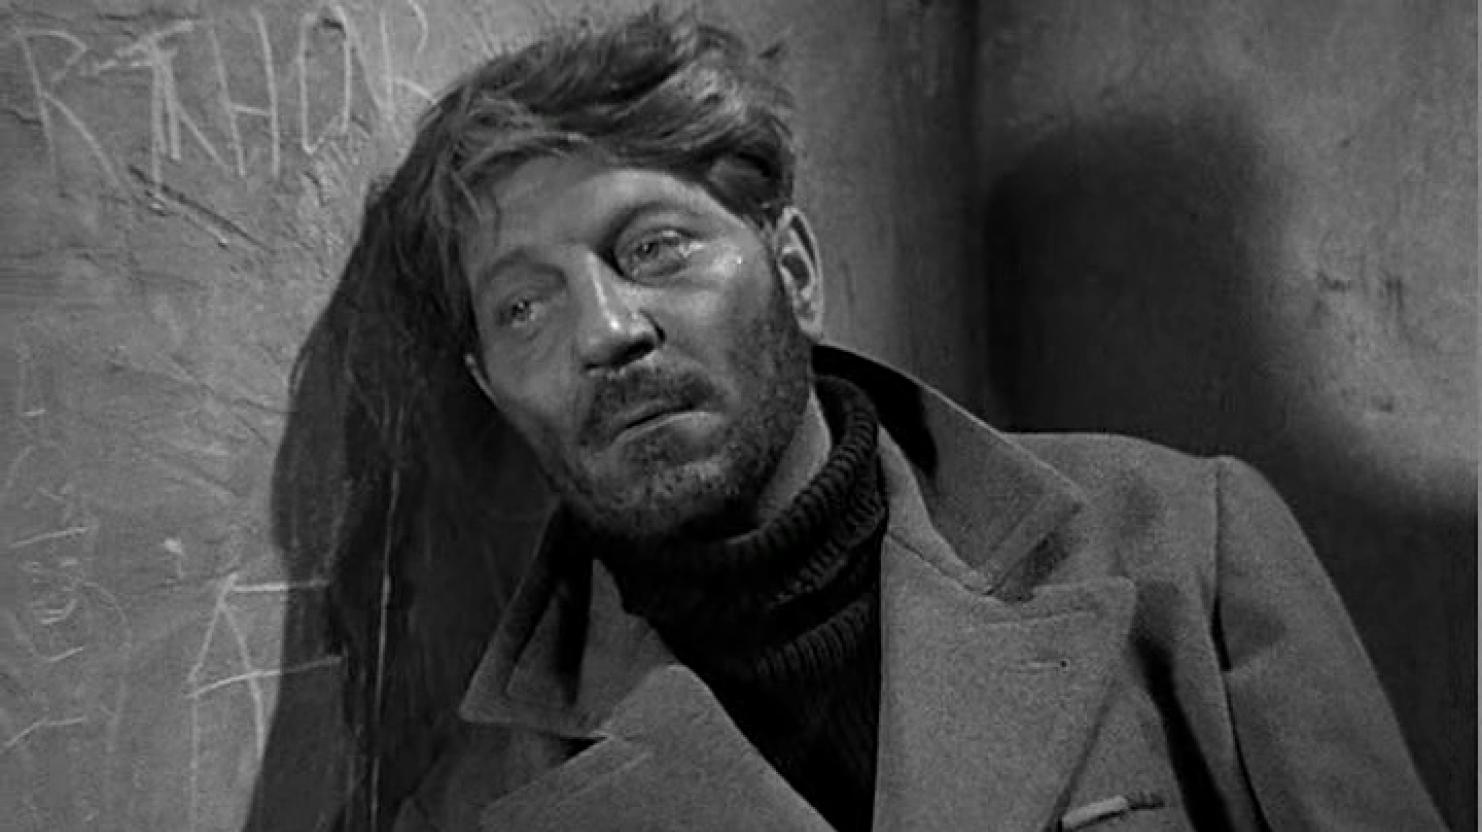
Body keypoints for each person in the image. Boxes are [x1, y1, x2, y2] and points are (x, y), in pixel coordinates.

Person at [270, 6, 1444, 830]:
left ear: (793, 268)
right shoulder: (477, 803)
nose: (605, 331)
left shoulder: (1184, 545)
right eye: (523, 306)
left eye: (655, 247)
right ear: (489, 388)